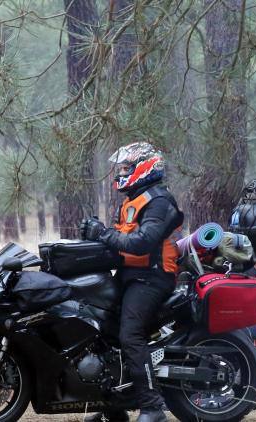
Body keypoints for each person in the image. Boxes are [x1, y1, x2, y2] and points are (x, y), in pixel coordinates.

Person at [80, 142, 183, 422]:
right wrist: (92, 238)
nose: (120, 173)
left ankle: (152, 407)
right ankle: (114, 408)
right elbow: (120, 243)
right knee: (104, 332)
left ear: (144, 167)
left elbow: (143, 242)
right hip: (130, 276)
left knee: (130, 335)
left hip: (153, 278)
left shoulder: (159, 201)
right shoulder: (133, 200)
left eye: (126, 168)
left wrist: (101, 233)